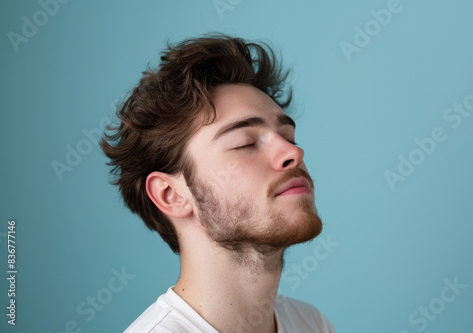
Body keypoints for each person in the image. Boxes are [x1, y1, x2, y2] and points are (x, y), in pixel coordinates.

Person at [100, 33, 336, 333]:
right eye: (245, 143)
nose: (293, 152)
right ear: (171, 195)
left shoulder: (311, 324)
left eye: (288, 137)